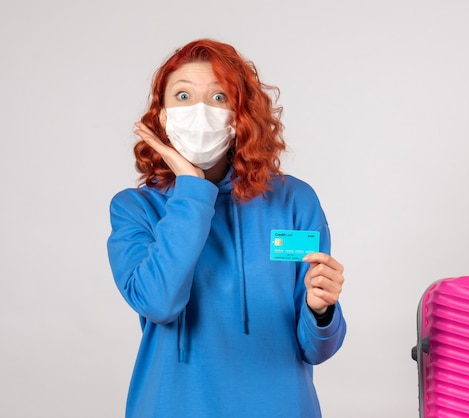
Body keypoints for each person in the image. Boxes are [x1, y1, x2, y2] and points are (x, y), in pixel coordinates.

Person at [106, 38, 347, 418]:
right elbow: (158, 302)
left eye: (218, 97)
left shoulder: (293, 201)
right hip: (172, 407)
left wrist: (322, 311)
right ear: (162, 116)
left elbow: (317, 348)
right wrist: (192, 191)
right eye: (182, 96)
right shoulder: (136, 208)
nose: (199, 111)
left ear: (240, 115)